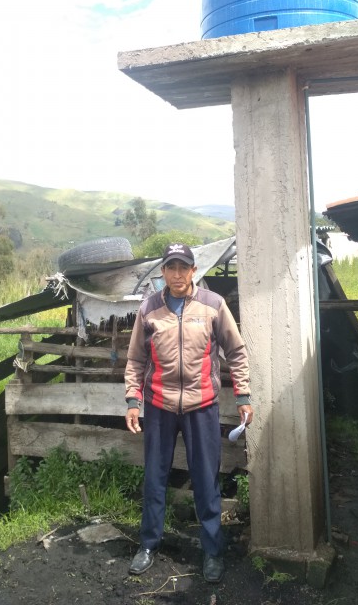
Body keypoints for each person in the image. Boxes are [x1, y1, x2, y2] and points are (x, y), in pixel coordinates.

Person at [124, 242, 253, 583]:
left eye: (184, 267)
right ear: (163, 272)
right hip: (159, 405)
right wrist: (133, 400)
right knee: (155, 477)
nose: (178, 274)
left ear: (194, 271)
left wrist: (243, 394)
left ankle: (212, 551)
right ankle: (148, 544)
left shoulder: (213, 305)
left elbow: (236, 351)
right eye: (172, 267)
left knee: (206, 478)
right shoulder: (149, 309)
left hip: (202, 405)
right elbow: (136, 359)